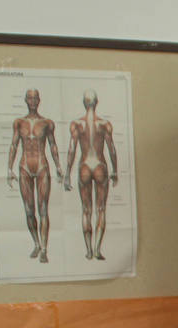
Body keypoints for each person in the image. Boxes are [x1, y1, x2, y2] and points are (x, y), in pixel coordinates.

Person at [7, 88, 62, 263]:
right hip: (24, 166)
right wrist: (9, 168)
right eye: (29, 98)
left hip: (41, 166)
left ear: (39, 100)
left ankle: (45, 248)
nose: (32, 101)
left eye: (35, 98)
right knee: (29, 210)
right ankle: (37, 243)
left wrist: (58, 165)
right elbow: (14, 145)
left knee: (43, 208)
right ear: (25, 100)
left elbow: (53, 145)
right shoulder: (19, 122)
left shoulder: (47, 123)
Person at [65, 89, 118, 261]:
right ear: (96, 102)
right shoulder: (104, 124)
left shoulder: (76, 124)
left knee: (86, 210)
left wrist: (67, 173)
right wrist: (115, 170)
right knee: (101, 209)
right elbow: (111, 149)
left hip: (85, 165)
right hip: (100, 165)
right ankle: (97, 249)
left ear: (83, 102)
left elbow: (72, 149)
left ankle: (88, 250)